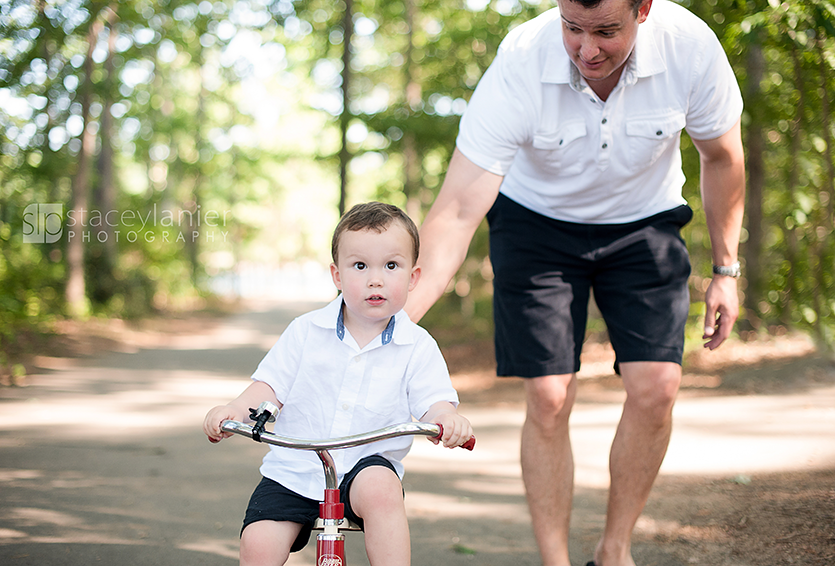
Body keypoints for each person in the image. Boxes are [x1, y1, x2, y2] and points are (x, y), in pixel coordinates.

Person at [403, 0, 745, 565]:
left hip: (644, 223)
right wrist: (388, 322)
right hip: (535, 225)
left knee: (657, 387)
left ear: (643, 10)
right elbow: (459, 210)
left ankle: (614, 551)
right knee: (548, 394)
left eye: (607, 31)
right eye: (572, 28)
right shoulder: (520, 60)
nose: (587, 50)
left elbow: (722, 156)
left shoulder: (690, 46)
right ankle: (556, 560)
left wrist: (727, 270)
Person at [204, 202, 473, 566]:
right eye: (360, 266)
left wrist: (446, 418)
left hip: (367, 467)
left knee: (382, 490)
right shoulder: (305, 331)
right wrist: (234, 411)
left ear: (412, 277)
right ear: (337, 275)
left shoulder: (418, 345)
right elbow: (268, 387)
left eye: (391, 266)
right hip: (296, 468)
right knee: (259, 541)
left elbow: (436, 401)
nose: (375, 279)